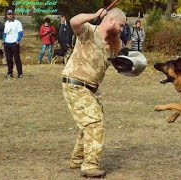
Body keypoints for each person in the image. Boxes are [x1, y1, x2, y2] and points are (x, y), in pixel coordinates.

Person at [62, 8, 126, 177]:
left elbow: (124, 61)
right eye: (121, 25)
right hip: (75, 84)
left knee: (90, 122)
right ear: (111, 20)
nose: (122, 29)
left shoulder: (114, 44)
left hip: (92, 89)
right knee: (94, 122)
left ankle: (78, 159)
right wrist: (94, 16)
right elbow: (74, 21)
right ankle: (90, 166)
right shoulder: (88, 31)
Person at [3, 9, 23, 78]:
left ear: (13, 15)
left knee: (17, 59)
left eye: (11, 14)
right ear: (7, 15)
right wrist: (4, 41)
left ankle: (20, 73)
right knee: (8, 59)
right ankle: (10, 73)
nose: (10, 15)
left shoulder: (18, 22)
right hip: (7, 43)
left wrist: (17, 40)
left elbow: (20, 33)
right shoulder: (6, 23)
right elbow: (5, 33)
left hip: (14, 43)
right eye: (8, 14)